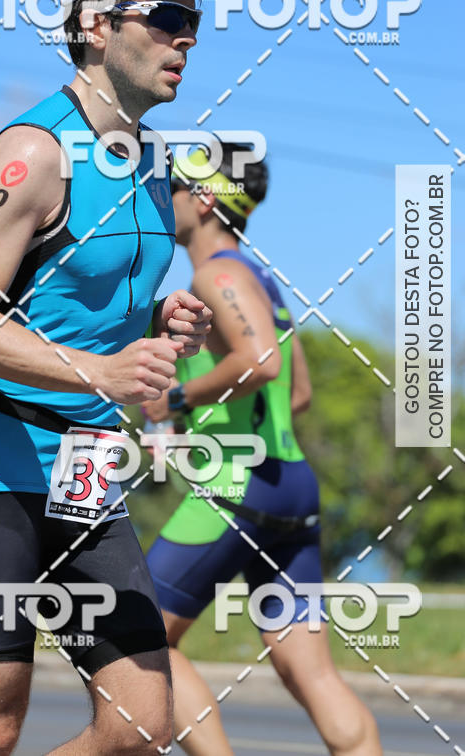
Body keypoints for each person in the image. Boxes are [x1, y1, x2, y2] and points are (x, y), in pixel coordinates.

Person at [0, 0, 237, 756]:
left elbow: (71, 296)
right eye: (167, 16)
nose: (187, 38)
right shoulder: (35, 151)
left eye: (195, 20)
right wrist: (99, 369)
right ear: (97, 24)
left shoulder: (153, 163)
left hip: (88, 466)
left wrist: (158, 318)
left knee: (142, 726)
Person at [143, 144, 382, 755]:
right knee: (311, 673)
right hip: (291, 485)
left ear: (203, 200)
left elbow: (262, 362)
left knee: (140, 635)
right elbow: (298, 393)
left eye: (173, 188)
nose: (164, 199)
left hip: (236, 484)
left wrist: (177, 401)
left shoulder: (215, 276)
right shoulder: (264, 282)